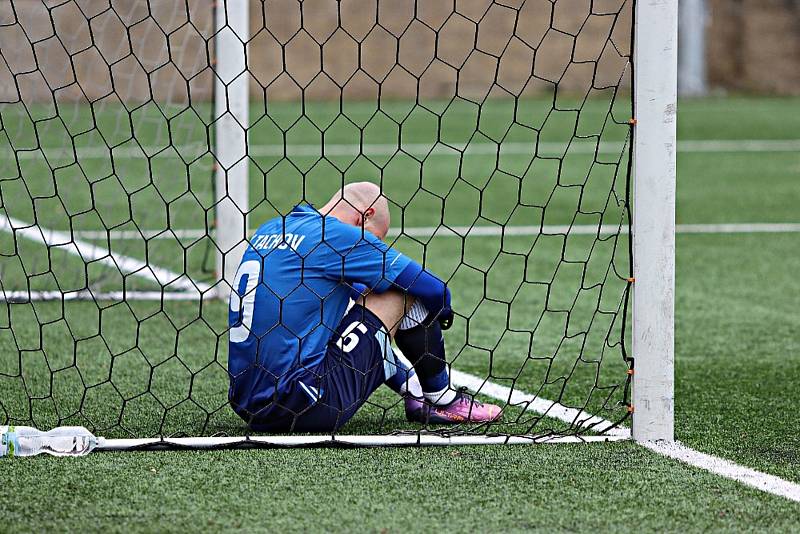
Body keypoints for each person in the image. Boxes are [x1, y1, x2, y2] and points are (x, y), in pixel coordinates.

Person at [227, 182, 501, 432]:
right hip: (306, 406)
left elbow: (365, 332)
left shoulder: (272, 228)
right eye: (375, 241)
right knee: (403, 291)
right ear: (365, 216)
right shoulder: (336, 236)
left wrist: (406, 381)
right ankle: (443, 399)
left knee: (353, 311)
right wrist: (441, 311)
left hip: (249, 406)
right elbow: (434, 289)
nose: (373, 248)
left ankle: (416, 392)